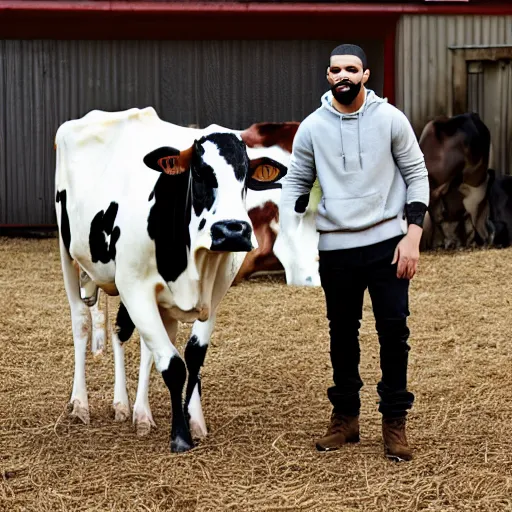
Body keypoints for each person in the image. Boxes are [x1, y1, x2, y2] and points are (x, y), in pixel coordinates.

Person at [280, 44, 429, 461]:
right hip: (338, 250)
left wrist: (412, 236)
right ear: (328, 77)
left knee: (394, 334)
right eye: (335, 70)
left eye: (352, 69)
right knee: (341, 334)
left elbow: (417, 174)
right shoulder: (312, 128)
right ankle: (345, 419)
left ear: (365, 75)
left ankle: (394, 423)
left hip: (388, 245)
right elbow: (295, 183)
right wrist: (294, 239)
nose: (343, 75)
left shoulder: (391, 119)